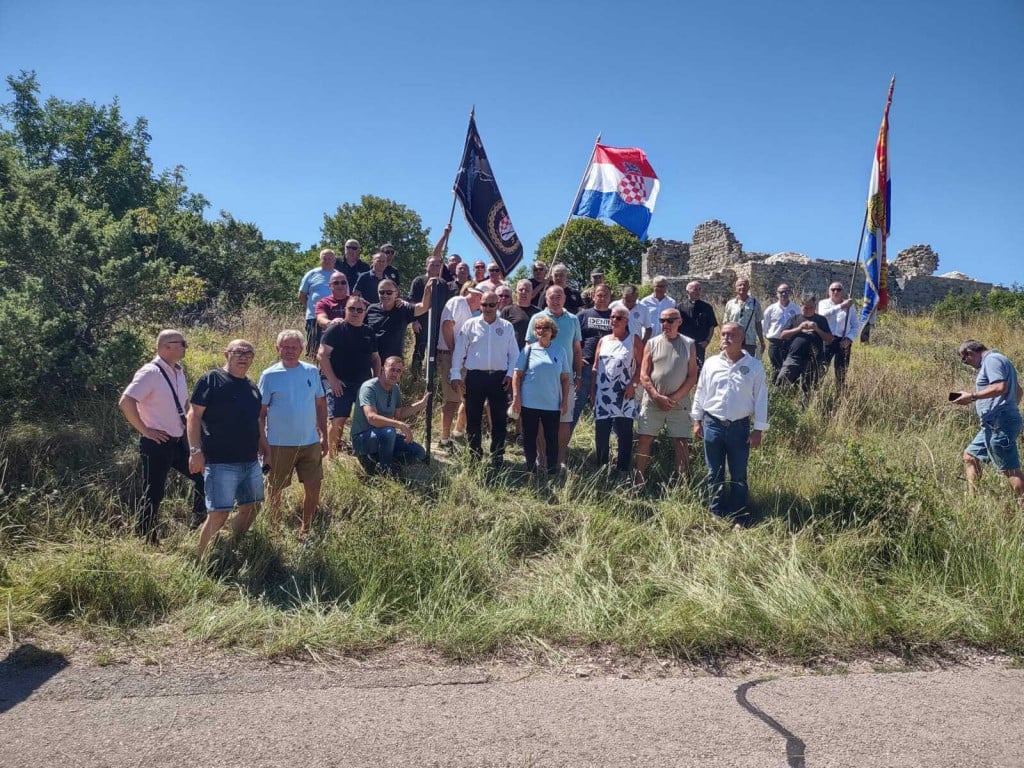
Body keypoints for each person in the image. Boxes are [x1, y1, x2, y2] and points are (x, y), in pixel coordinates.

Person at [119, 329, 206, 543]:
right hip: (156, 443)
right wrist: (146, 431)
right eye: (182, 343)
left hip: (177, 440)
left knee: (204, 476)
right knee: (154, 492)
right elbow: (126, 402)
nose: (186, 346)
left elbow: (184, 404)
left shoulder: (177, 371)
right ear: (166, 347)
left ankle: (200, 525)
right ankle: (147, 537)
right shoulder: (150, 372)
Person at [188, 339, 270, 557]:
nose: (243, 356)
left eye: (248, 353)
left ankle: (230, 545)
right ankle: (201, 559)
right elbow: (194, 415)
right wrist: (195, 451)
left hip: (250, 461)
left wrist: (266, 448)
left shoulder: (252, 387)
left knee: (252, 506)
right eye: (238, 352)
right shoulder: (211, 379)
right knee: (218, 513)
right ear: (227, 354)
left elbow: (257, 421)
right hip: (219, 461)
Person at [691, 323, 769, 523]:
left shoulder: (754, 366)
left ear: (741, 338)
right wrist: (696, 420)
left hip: (739, 428)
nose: (725, 338)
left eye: (730, 335)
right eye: (723, 334)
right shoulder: (711, 363)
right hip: (712, 425)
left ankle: (739, 515)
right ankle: (716, 512)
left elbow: (761, 399)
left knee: (738, 474)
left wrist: (758, 429)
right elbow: (701, 391)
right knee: (713, 472)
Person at [258, 330, 328, 541]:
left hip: (309, 442)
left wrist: (323, 433)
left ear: (302, 349)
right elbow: (260, 414)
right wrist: (263, 444)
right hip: (279, 444)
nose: (290, 351)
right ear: (277, 348)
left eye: (294, 347)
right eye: (285, 347)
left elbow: (320, 404)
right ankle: (275, 530)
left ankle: (305, 529)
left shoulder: (311, 372)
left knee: (314, 486)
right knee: (275, 489)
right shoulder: (269, 375)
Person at [451, 291, 519, 467]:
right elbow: (459, 351)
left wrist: (510, 374)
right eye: (484, 305)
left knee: (499, 419)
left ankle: (497, 455)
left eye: (492, 305)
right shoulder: (470, 325)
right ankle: (474, 454)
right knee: (473, 417)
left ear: (498, 305)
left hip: (499, 378)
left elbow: (514, 354)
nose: (488, 308)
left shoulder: (506, 327)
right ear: (479, 304)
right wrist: (456, 374)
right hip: (475, 377)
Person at [953, 340, 1024, 504]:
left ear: (970, 352)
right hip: (994, 423)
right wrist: (1009, 408)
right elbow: (1018, 391)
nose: (967, 364)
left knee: (1010, 469)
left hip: (1000, 423)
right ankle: (973, 501)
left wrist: (971, 397)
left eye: (965, 359)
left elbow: (1000, 387)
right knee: (970, 456)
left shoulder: (992, 360)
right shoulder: (1000, 361)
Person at [635, 308, 699, 483]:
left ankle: (682, 485)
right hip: (653, 401)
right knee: (645, 439)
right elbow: (644, 374)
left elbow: (692, 375)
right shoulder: (652, 343)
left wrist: (674, 398)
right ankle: (638, 482)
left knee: (681, 442)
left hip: (679, 403)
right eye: (662, 320)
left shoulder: (688, 343)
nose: (665, 324)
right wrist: (656, 396)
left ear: (679, 322)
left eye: (670, 321)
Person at [526, 285, 583, 469]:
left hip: (565, 380)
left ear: (565, 299)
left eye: (559, 296)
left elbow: (576, 349)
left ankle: (560, 460)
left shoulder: (573, 319)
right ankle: (542, 458)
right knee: (542, 421)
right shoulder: (537, 318)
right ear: (546, 299)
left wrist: (579, 373)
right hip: (540, 381)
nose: (556, 299)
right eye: (552, 296)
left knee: (564, 420)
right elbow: (528, 347)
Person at [317, 296, 382, 455]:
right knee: (339, 418)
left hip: (363, 383)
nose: (355, 312)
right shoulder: (336, 329)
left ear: (364, 312)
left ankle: (364, 453)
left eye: (359, 310)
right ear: (345, 310)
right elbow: (322, 355)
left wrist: (377, 381)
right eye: (351, 308)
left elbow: (375, 358)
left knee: (368, 417)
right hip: (339, 382)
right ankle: (332, 456)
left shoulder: (368, 332)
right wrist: (333, 381)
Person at [511, 315, 571, 475]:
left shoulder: (560, 350)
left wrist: (565, 400)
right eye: (538, 328)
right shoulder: (528, 350)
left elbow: (565, 378)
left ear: (552, 331)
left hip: (552, 403)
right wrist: (516, 397)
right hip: (529, 403)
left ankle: (552, 471)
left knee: (552, 440)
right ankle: (531, 469)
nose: (542, 331)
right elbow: (517, 375)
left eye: (545, 328)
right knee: (529, 438)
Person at [351, 356, 429, 475]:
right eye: (392, 369)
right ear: (383, 369)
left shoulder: (395, 388)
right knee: (389, 431)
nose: (395, 374)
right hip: (363, 438)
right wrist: (399, 425)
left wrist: (421, 404)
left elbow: (399, 413)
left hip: (386, 437)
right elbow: (371, 418)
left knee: (419, 452)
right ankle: (386, 471)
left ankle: (381, 460)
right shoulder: (369, 388)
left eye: (399, 371)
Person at [592, 307, 644, 475]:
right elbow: (595, 367)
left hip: (624, 392)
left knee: (624, 433)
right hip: (603, 394)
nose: (614, 320)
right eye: (612, 317)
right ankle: (602, 467)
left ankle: (622, 469)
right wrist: (592, 391)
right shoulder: (603, 340)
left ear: (626, 321)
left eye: (619, 317)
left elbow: (642, 366)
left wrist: (633, 385)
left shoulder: (633, 340)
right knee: (601, 432)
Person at [437, 286, 483, 448]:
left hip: (461, 358)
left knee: (464, 397)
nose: (483, 304)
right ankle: (444, 439)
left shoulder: (471, 313)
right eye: (483, 300)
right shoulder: (459, 302)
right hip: (450, 356)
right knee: (451, 399)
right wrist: (454, 352)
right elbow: (447, 326)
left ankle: (457, 432)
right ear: (477, 296)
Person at [408, 228, 454, 379]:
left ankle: (431, 380)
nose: (435, 267)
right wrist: (413, 321)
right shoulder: (418, 281)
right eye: (432, 264)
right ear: (426, 265)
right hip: (421, 322)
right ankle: (415, 378)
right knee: (419, 350)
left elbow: (447, 304)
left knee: (433, 353)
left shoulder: (443, 283)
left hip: (437, 324)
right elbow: (412, 302)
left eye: (438, 265)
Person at [775, 294, 833, 398]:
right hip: (794, 357)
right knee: (782, 381)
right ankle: (781, 403)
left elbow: (829, 338)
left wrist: (817, 329)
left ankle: (804, 408)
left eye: (811, 307)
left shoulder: (821, 320)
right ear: (801, 306)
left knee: (809, 387)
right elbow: (782, 335)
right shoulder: (795, 318)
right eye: (805, 307)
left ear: (815, 307)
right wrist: (799, 328)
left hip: (813, 359)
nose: (808, 310)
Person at [365, 278, 435, 361]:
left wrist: (427, 289)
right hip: (372, 360)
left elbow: (424, 307)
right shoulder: (371, 309)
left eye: (389, 292)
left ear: (396, 293)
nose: (385, 295)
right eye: (381, 292)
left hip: (393, 364)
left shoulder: (403, 309)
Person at [574, 284, 613, 424]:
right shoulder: (582, 315)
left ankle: (609, 442)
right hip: (586, 365)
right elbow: (574, 341)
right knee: (578, 401)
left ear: (610, 297)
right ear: (593, 296)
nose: (602, 298)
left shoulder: (615, 316)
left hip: (609, 367)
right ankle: (562, 443)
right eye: (599, 295)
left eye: (605, 295)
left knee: (608, 403)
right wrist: (576, 360)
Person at [818, 282, 859, 391]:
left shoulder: (850, 307)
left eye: (839, 289)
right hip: (827, 340)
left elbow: (855, 325)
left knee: (841, 371)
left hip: (843, 341)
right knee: (821, 368)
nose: (836, 291)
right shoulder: (823, 303)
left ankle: (839, 393)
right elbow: (823, 314)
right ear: (829, 291)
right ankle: (816, 392)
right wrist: (841, 306)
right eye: (833, 289)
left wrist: (849, 339)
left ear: (843, 292)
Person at [299, 249, 337, 357]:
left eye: (330, 258)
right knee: (313, 347)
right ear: (320, 259)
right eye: (324, 258)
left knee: (332, 350)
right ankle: (313, 371)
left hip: (333, 319)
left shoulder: (339, 276)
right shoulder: (311, 274)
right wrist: (312, 308)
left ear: (334, 261)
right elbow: (302, 295)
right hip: (313, 318)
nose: (327, 260)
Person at [763, 283, 801, 373]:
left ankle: (786, 386)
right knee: (775, 368)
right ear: (777, 294)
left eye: (786, 292)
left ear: (791, 293)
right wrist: (768, 338)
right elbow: (765, 326)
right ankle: (776, 386)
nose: (784, 294)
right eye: (781, 292)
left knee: (789, 368)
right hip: (775, 343)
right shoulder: (770, 309)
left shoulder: (796, 309)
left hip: (790, 343)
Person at [679, 281, 718, 367]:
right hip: (683, 345)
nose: (698, 292)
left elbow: (711, 326)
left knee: (698, 369)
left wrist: (707, 341)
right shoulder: (680, 307)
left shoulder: (707, 307)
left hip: (700, 345)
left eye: (699, 289)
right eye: (695, 289)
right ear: (687, 291)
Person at [723, 278, 765, 357]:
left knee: (747, 365)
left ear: (749, 288)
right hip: (732, 340)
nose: (742, 287)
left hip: (749, 341)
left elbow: (758, 323)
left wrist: (761, 341)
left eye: (745, 285)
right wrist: (723, 341)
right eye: (740, 285)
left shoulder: (755, 303)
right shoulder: (730, 304)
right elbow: (725, 323)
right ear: (735, 288)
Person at [501, 279, 540, 350]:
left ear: (532, 294)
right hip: (512, 353)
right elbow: (500, 333)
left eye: (527, 290)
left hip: (533, 354)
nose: (523, 292)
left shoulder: (538, 313)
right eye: (521, 290)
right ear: (516, 293)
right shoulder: (507, 310)